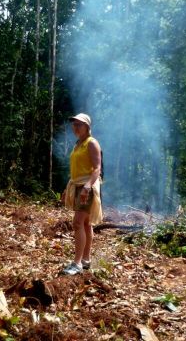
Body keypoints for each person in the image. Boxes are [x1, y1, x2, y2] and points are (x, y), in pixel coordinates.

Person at [61, 113, 103, 275]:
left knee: (77, 223)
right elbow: (76, 170)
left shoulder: (91, 143)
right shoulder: (78, 144)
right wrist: (67, 189)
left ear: (87, 127)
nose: (75, 127)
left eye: (79, 124)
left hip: (88, 186)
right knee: (85, 224)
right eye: (74, 124)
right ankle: (85, 260)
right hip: (77, 185)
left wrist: (87, 187)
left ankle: (77, 264)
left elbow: (97, 168)